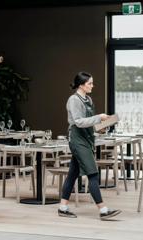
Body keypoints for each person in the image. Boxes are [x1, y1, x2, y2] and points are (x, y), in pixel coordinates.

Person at [58, 71, 122, 220]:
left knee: (73, 173)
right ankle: (103, 210)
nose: (93, 86)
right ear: (81, 85)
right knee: (93, 173)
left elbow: (89, 123)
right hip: (77, 140)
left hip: (86, 139)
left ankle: (63, 207)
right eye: (90, 83)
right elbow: (79, 122)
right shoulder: (74, 100)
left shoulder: (89, 100)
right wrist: (98, 117)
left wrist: (102, 125)